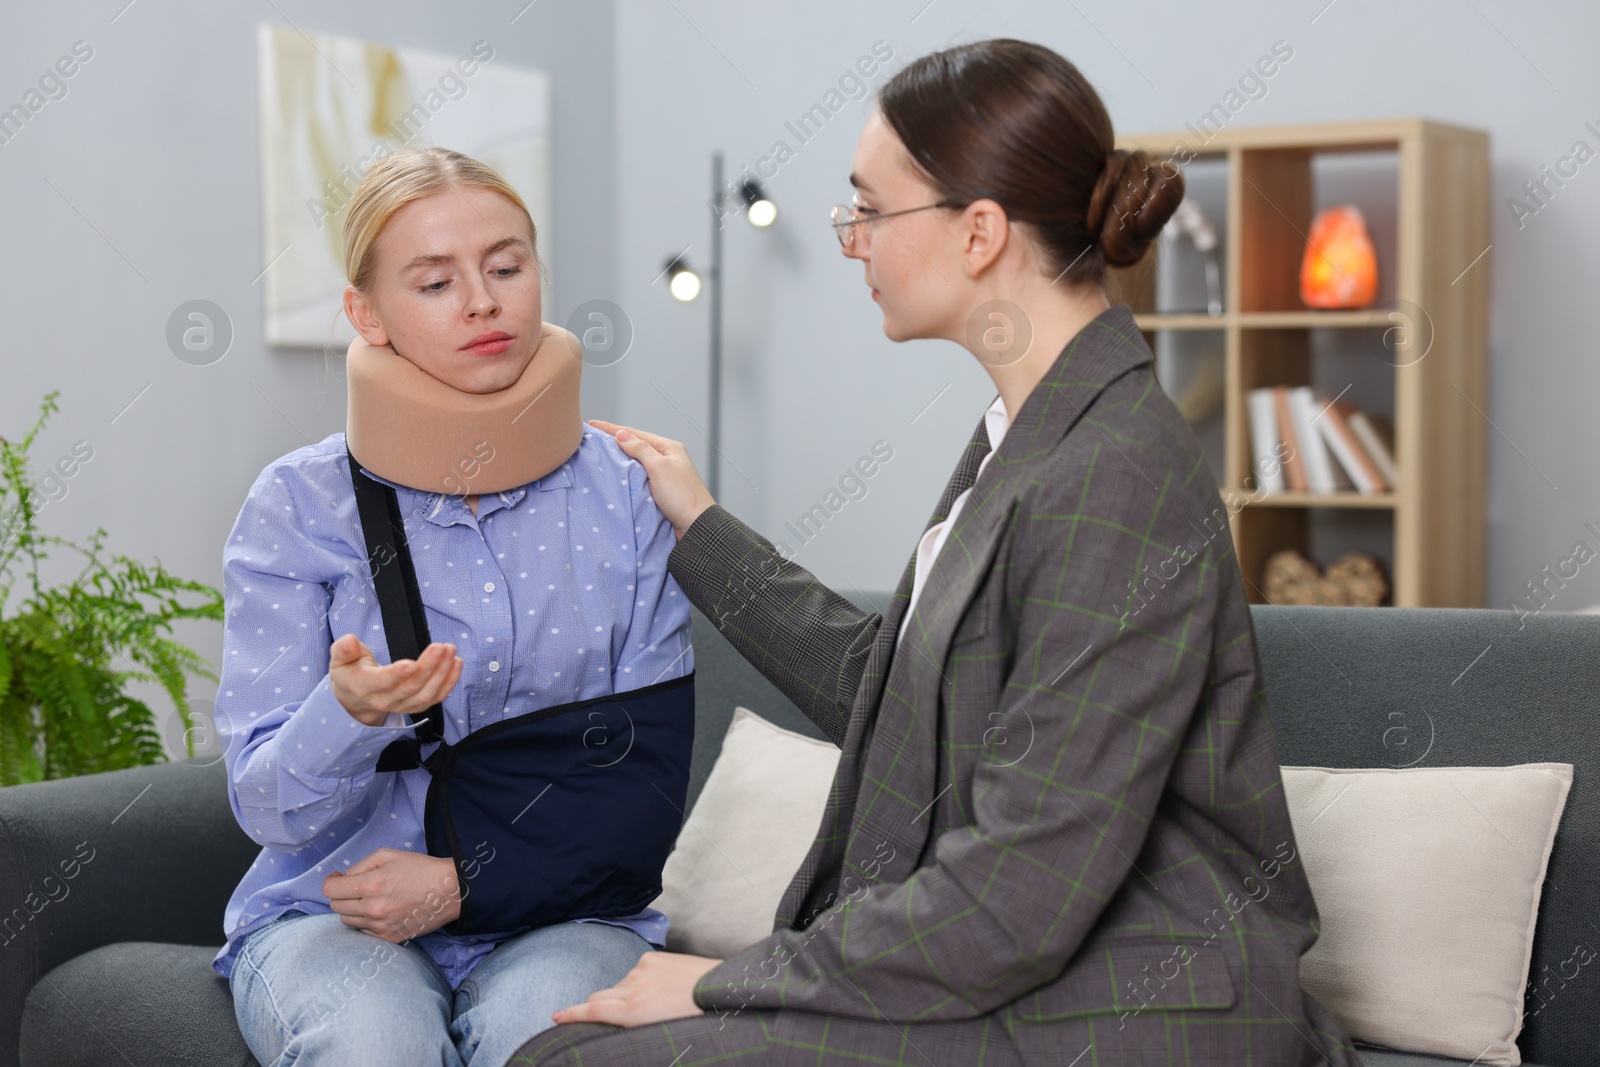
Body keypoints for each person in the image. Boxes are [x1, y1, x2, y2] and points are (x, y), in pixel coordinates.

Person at [515, 38, 1362, 1067]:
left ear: (979, 232)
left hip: (1126, 996)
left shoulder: (1113, 470)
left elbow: (1023, 887)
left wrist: (719, 975)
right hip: (1029, 965)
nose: (851, 240)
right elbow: (906, 701)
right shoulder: (1032, 427)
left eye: (869, 208)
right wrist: (700, 528)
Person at [212, 146, 694, 1066]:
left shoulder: (627, 494)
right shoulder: (297, 507)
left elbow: (646, 786)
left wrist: (465, 882)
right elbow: (266, 807)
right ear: (367, 314)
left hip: (569, 912)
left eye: (507, 268)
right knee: (373, 1043)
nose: (484, 301)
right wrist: (345, 715)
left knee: (544, 1047)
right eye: (435, 282)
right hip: (331, 908)